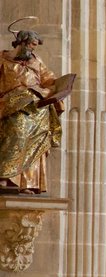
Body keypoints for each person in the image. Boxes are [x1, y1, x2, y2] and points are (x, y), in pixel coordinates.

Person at [0, 28, 71, 194]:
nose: (33, 49)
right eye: (32, 44)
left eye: (35, 46)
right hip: (11, 105)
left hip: (36, 107)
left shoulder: (36, 61)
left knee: (37, 137)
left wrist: (57, 89)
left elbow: (49, 80)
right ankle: (5, 176)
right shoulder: (3, 58)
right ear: (22, 42)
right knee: (17, 132)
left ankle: (26, 183)